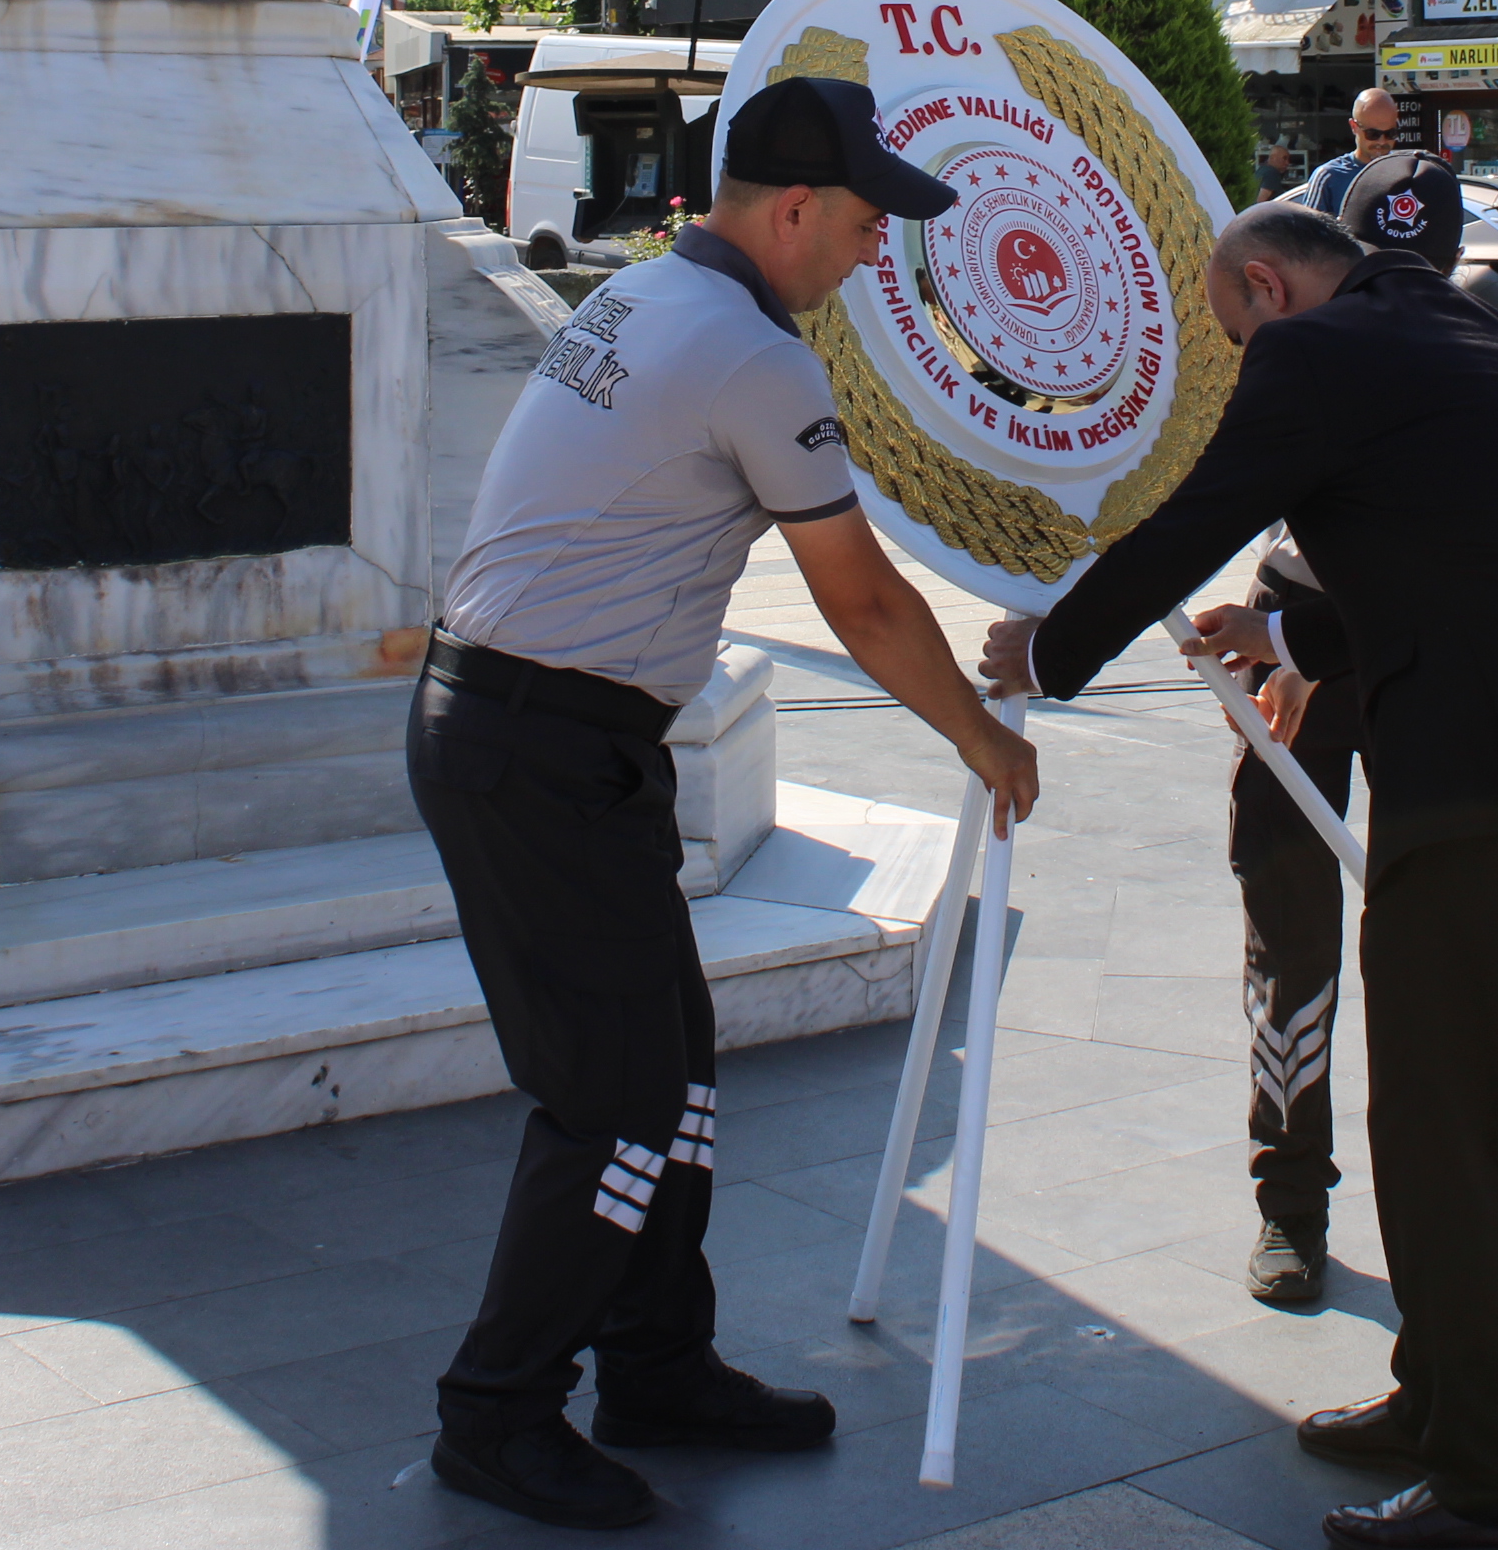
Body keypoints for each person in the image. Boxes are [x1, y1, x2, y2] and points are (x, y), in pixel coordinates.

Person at [982, 203, 1498, 1550]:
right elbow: (1469, 564)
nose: (1248, 364)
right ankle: (1436, 1398)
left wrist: (1053, 648)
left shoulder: (1313, 356)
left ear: (1266, 287)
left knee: (1435, 1142)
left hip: (1487, 798)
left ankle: (1488, 1484)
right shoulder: (1482, 341)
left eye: (1237, 334)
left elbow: (1194, 514)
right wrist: (1297, 628)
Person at [413, 75, 1040, 1530]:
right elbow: (867, 605)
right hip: (535, 748)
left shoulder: (651, 300)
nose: (881, 252)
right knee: (618, 1099)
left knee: (674, 1068)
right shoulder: (753, 357)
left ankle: (657, 1363)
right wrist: (980, 741)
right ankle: (495, 1412)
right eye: (874, 221)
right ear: (800, 209)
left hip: (552, 734)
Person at [1214, 150, 1493, 1314]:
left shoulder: (1484, 353)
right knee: (1294, 940)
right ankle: (1292, 1201)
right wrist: (1282, 644)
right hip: (1304, 636)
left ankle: (1477, 1226)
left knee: (1455, 961)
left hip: (1417, 665)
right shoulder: (1304, 336)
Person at [1296, 88, 1408, 215]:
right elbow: (1310, 231)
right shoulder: (1329, 177)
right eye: (1373, 134)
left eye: (1390, 134)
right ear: (1354, 127)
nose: (1382, 142)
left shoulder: (1408, 173)